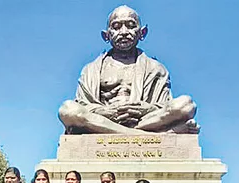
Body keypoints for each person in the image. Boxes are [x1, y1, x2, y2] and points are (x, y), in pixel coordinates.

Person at [58, 6, 199, 135]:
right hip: (102, 119)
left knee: (186, 104)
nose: (124, 32)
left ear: (142, 33)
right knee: (68, 109)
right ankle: (147, 136)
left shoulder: (156, 68)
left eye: (131, 26)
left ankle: (127, 132)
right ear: (106, 35)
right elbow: (83, 104)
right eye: (116, 27)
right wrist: (106, 112)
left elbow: (163, 105)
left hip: (144, 120)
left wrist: (146, 109)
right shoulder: (90, 70)